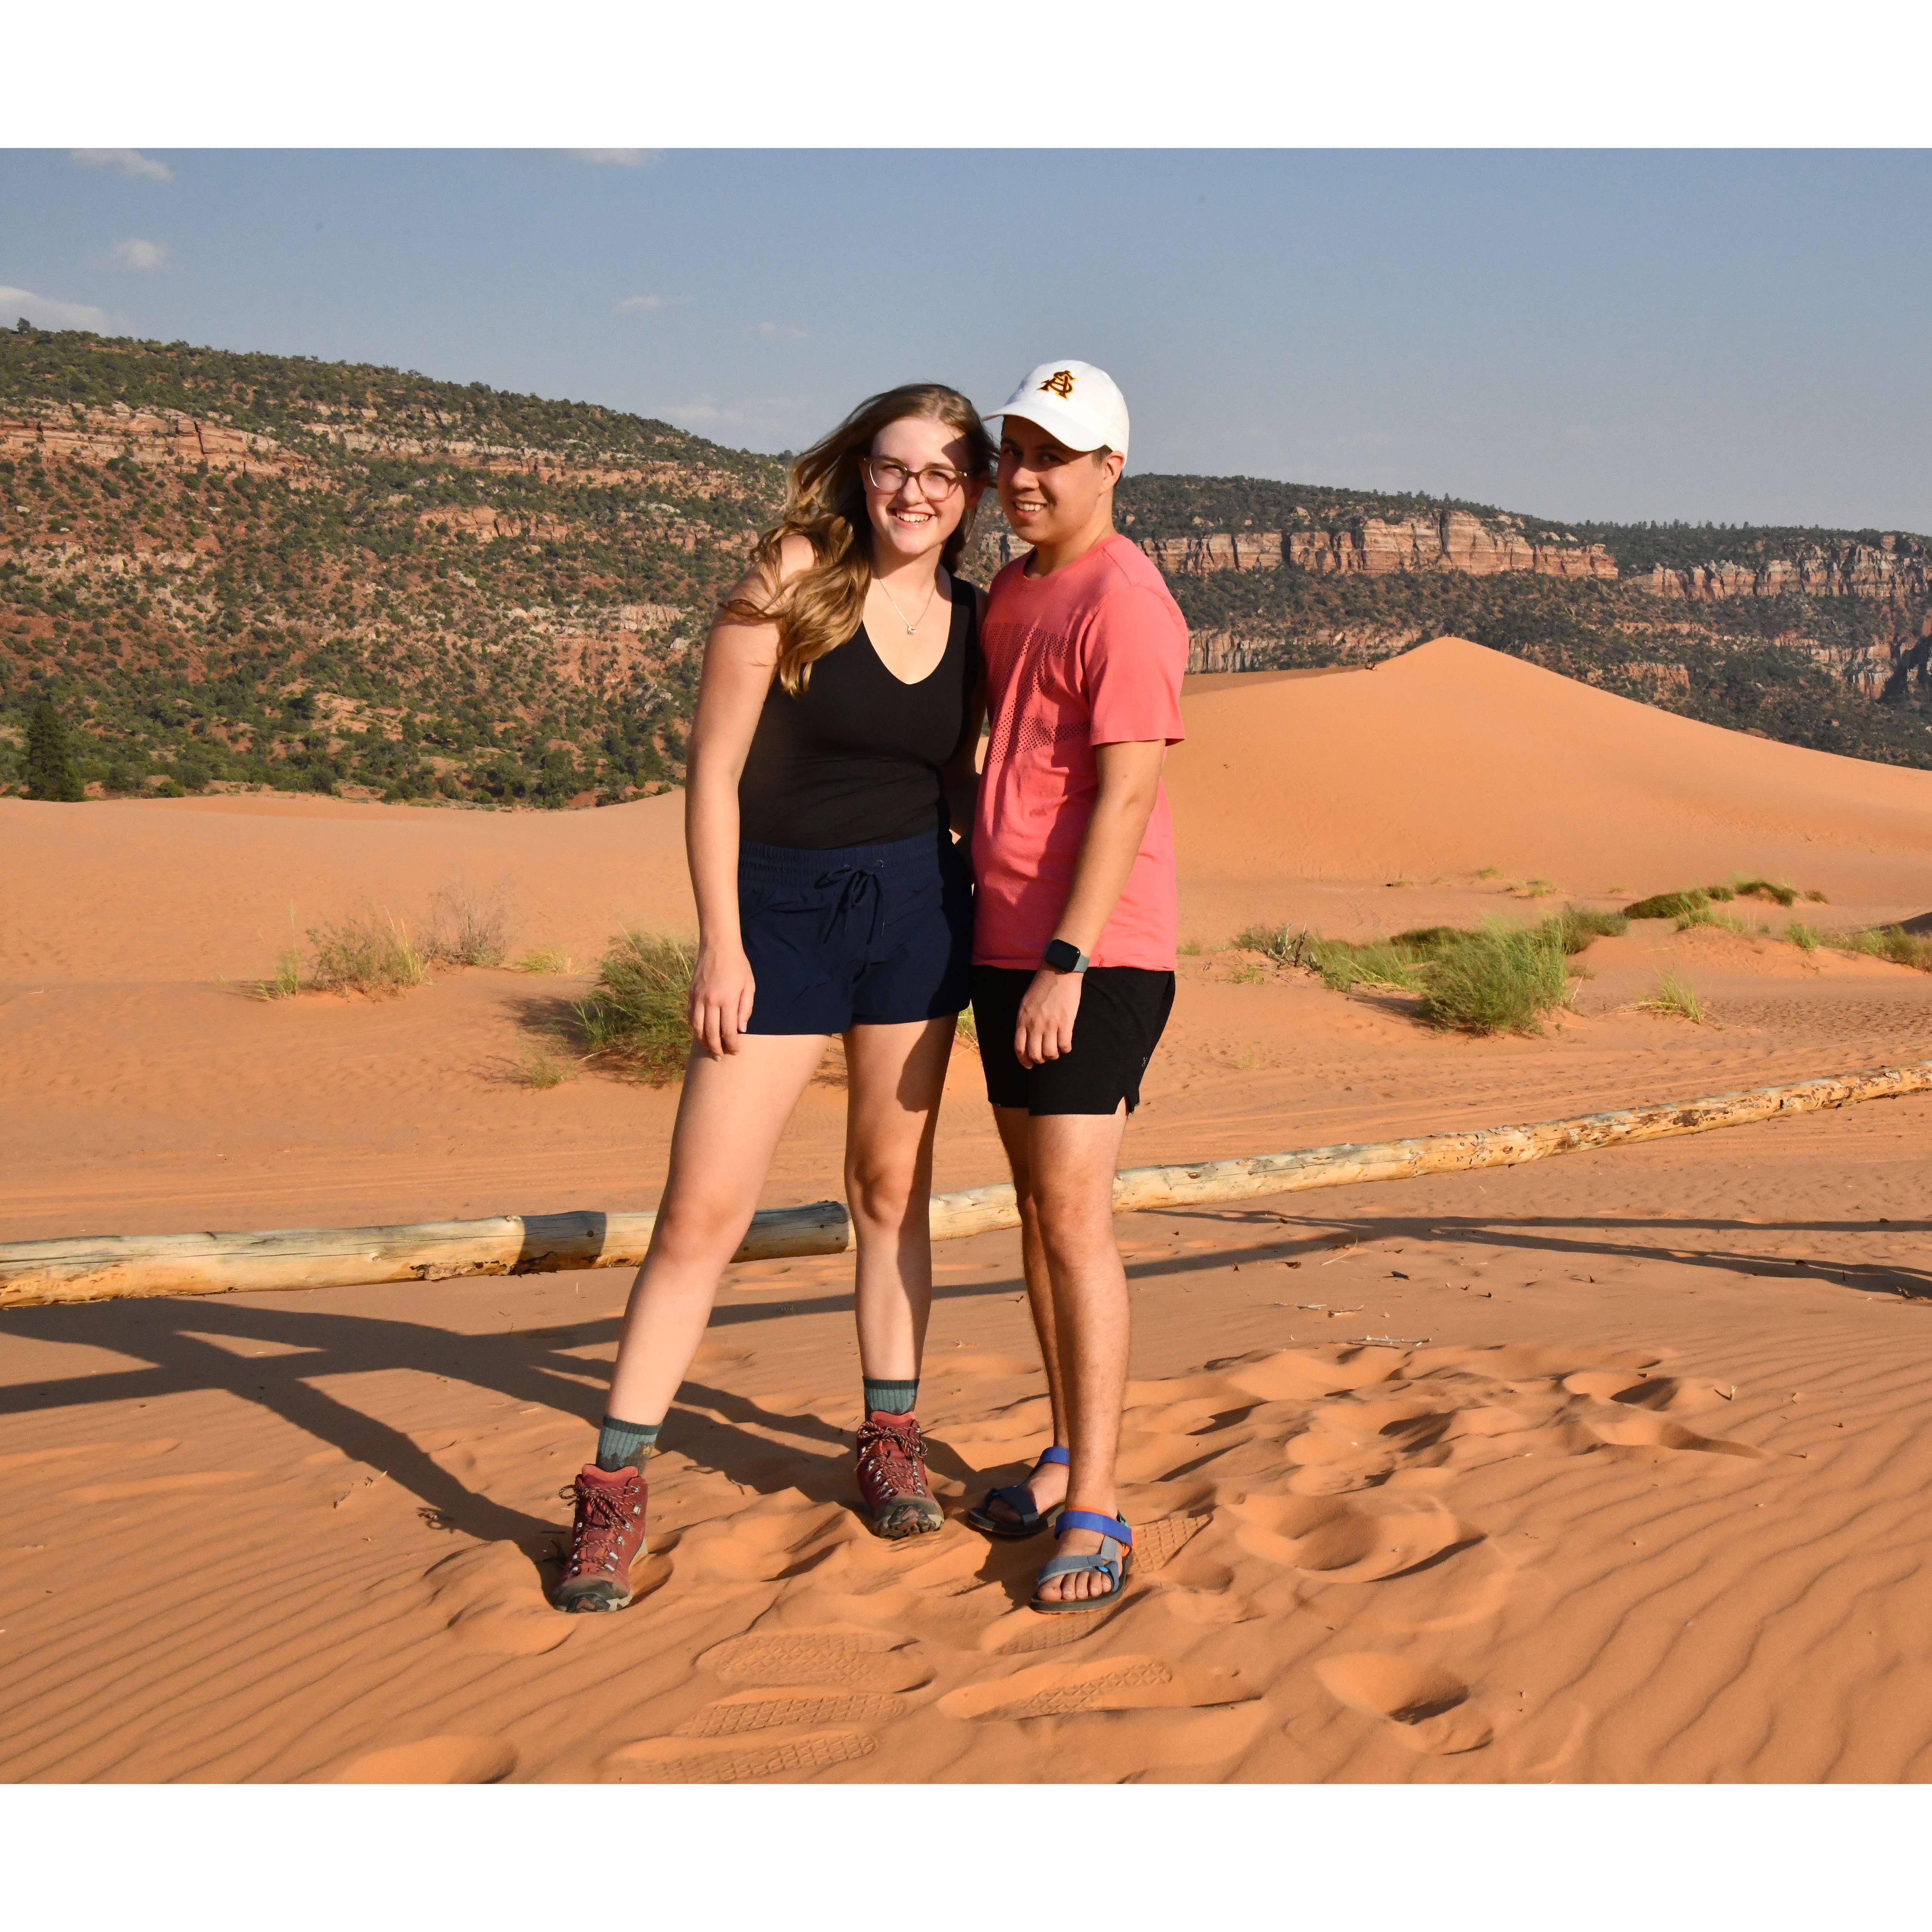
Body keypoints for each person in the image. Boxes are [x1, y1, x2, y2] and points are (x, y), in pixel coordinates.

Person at [553, 383, 992, 1613]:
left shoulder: (977, 616)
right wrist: (721, 942)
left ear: (971, 498)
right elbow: (714, 773)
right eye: (897, 466)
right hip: (781, 920)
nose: (917, 491)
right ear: (861, 472)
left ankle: (889, 1437)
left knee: (891, 1191)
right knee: (703, 1212)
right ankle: (611, 1489)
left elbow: (969, 789)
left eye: (945, 475)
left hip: (918, 915)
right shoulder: (792, 575)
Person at [961, 361, 1188, 1612]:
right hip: (1004, 947)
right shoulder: (1013, 588)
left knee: (1077, 1225)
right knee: (1041, 1221)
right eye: (1013, 452)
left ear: (1111, 467)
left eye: (1053, 454)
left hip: (1092, 959)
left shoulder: (1127, 600)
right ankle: (1061, 1455)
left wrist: (1068, 957)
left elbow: (1131, 787)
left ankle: (1098, 1501)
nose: (1024, 477)